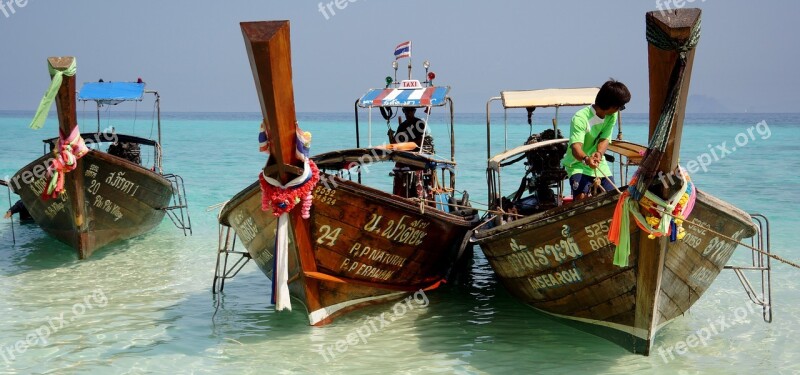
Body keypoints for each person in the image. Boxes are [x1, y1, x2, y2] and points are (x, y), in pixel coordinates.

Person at [561, 79, 631, 201]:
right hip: (578, 163)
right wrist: (587, 159)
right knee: (581, 201)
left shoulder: (612, 115)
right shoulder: (580, 118)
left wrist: (599, 153)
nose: (620, 110)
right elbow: (576, 148)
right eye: (621, 107)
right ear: (612, 105)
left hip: (599, 163)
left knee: (613, 199)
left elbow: (605, 139)